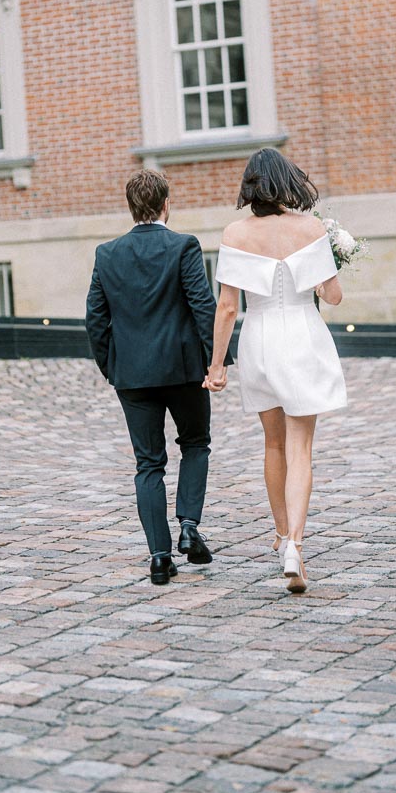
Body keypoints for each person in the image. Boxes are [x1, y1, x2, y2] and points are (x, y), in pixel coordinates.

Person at [204, 148, 346, 593]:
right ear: (290, 181)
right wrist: (332, 262)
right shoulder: (312, 228)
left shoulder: (235, 232)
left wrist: (216, 368)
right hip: (302, 333)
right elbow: (335, 297)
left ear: (249, 186)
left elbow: (228, 307)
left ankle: (282, 533)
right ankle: (296, 549)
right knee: (302, 448)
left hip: (260, 337)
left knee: (273, 443)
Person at [86, 168, 229, 586]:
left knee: (148, 464)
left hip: (132, 375)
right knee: (196, 444)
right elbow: (203, 305)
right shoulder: (184, 246)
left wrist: (111, 367)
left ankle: (159, 557)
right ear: (167, 204)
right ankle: (188, 524)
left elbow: (95, 319)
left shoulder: (106, 253)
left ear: (131, 208)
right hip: (184, 371)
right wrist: (215, 361)